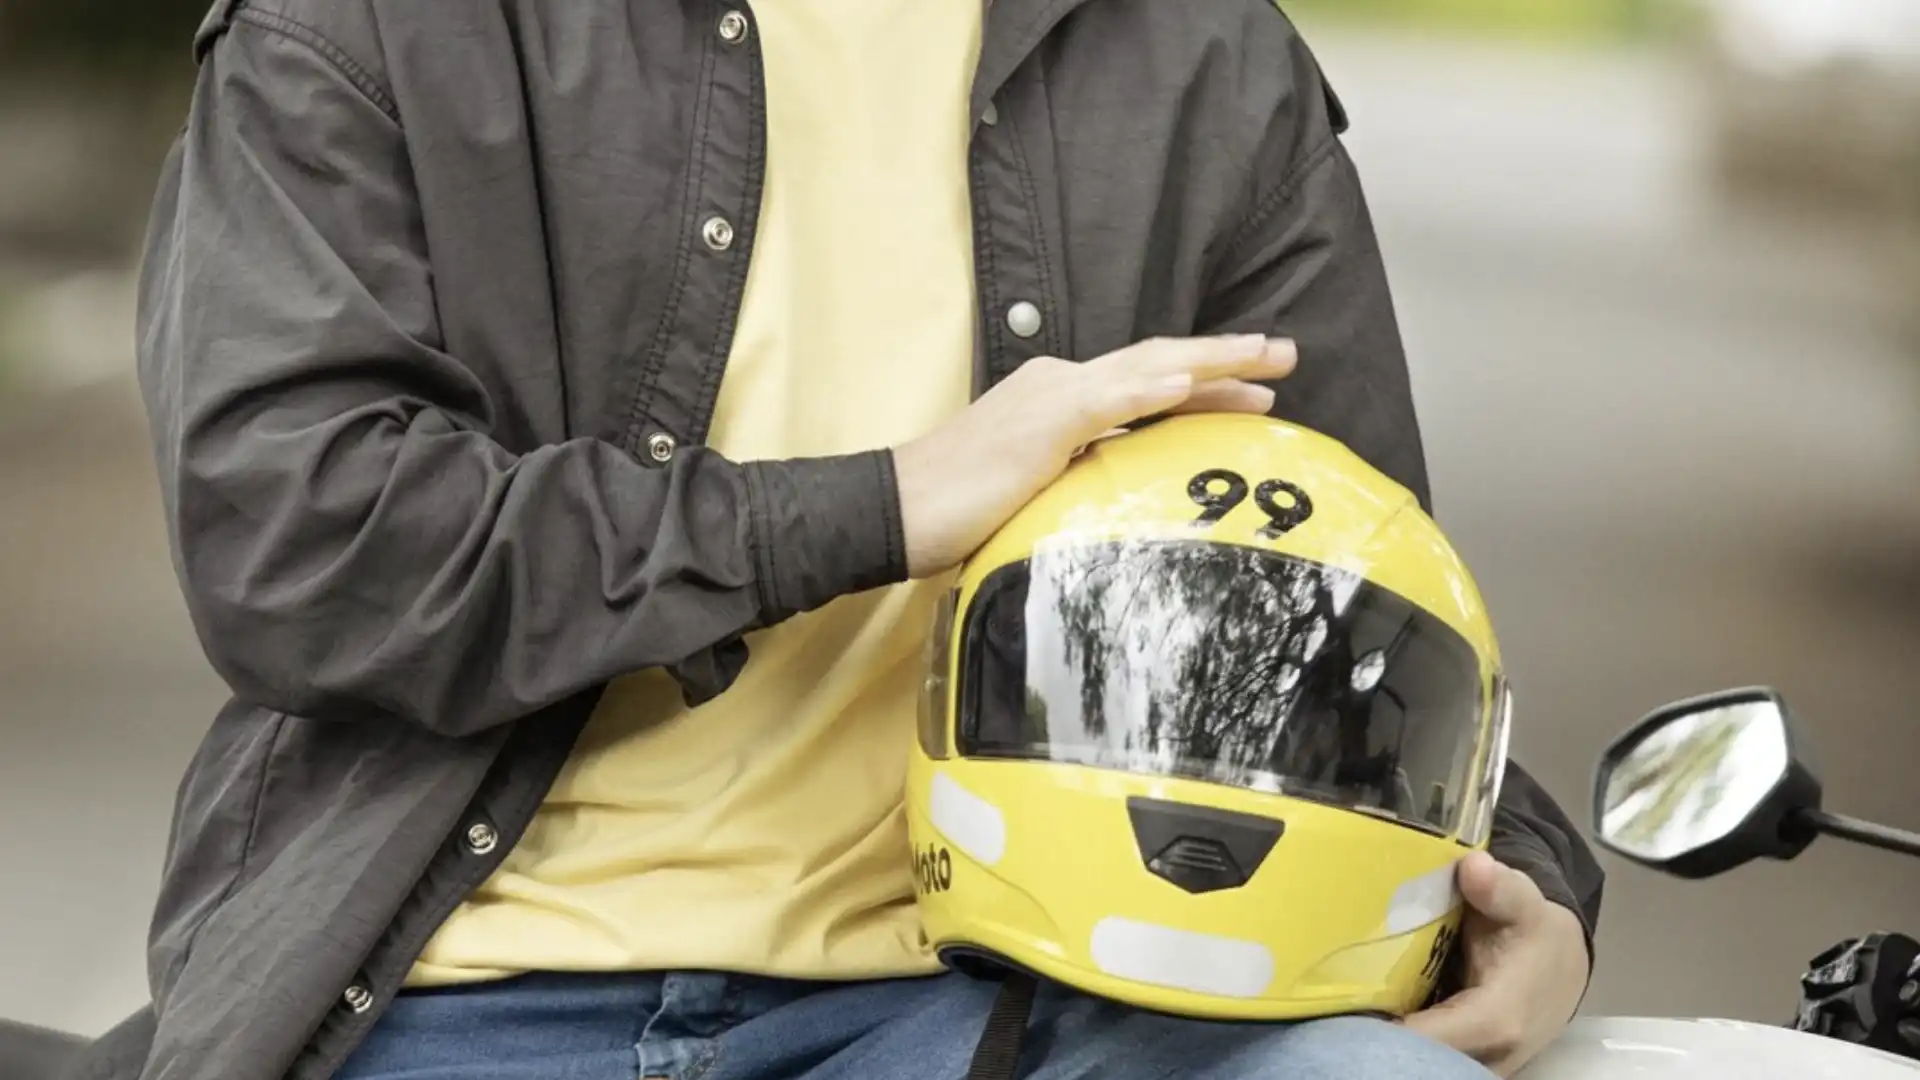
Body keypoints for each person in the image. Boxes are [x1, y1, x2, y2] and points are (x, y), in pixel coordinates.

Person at [85, 0, 1603, 1078]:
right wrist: (884, 504)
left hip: (1016, 1005)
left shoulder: (1197, 53)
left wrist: (1526, 892)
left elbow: (1352, 606)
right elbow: (302, 550)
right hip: (458, 992)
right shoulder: (369, 23)